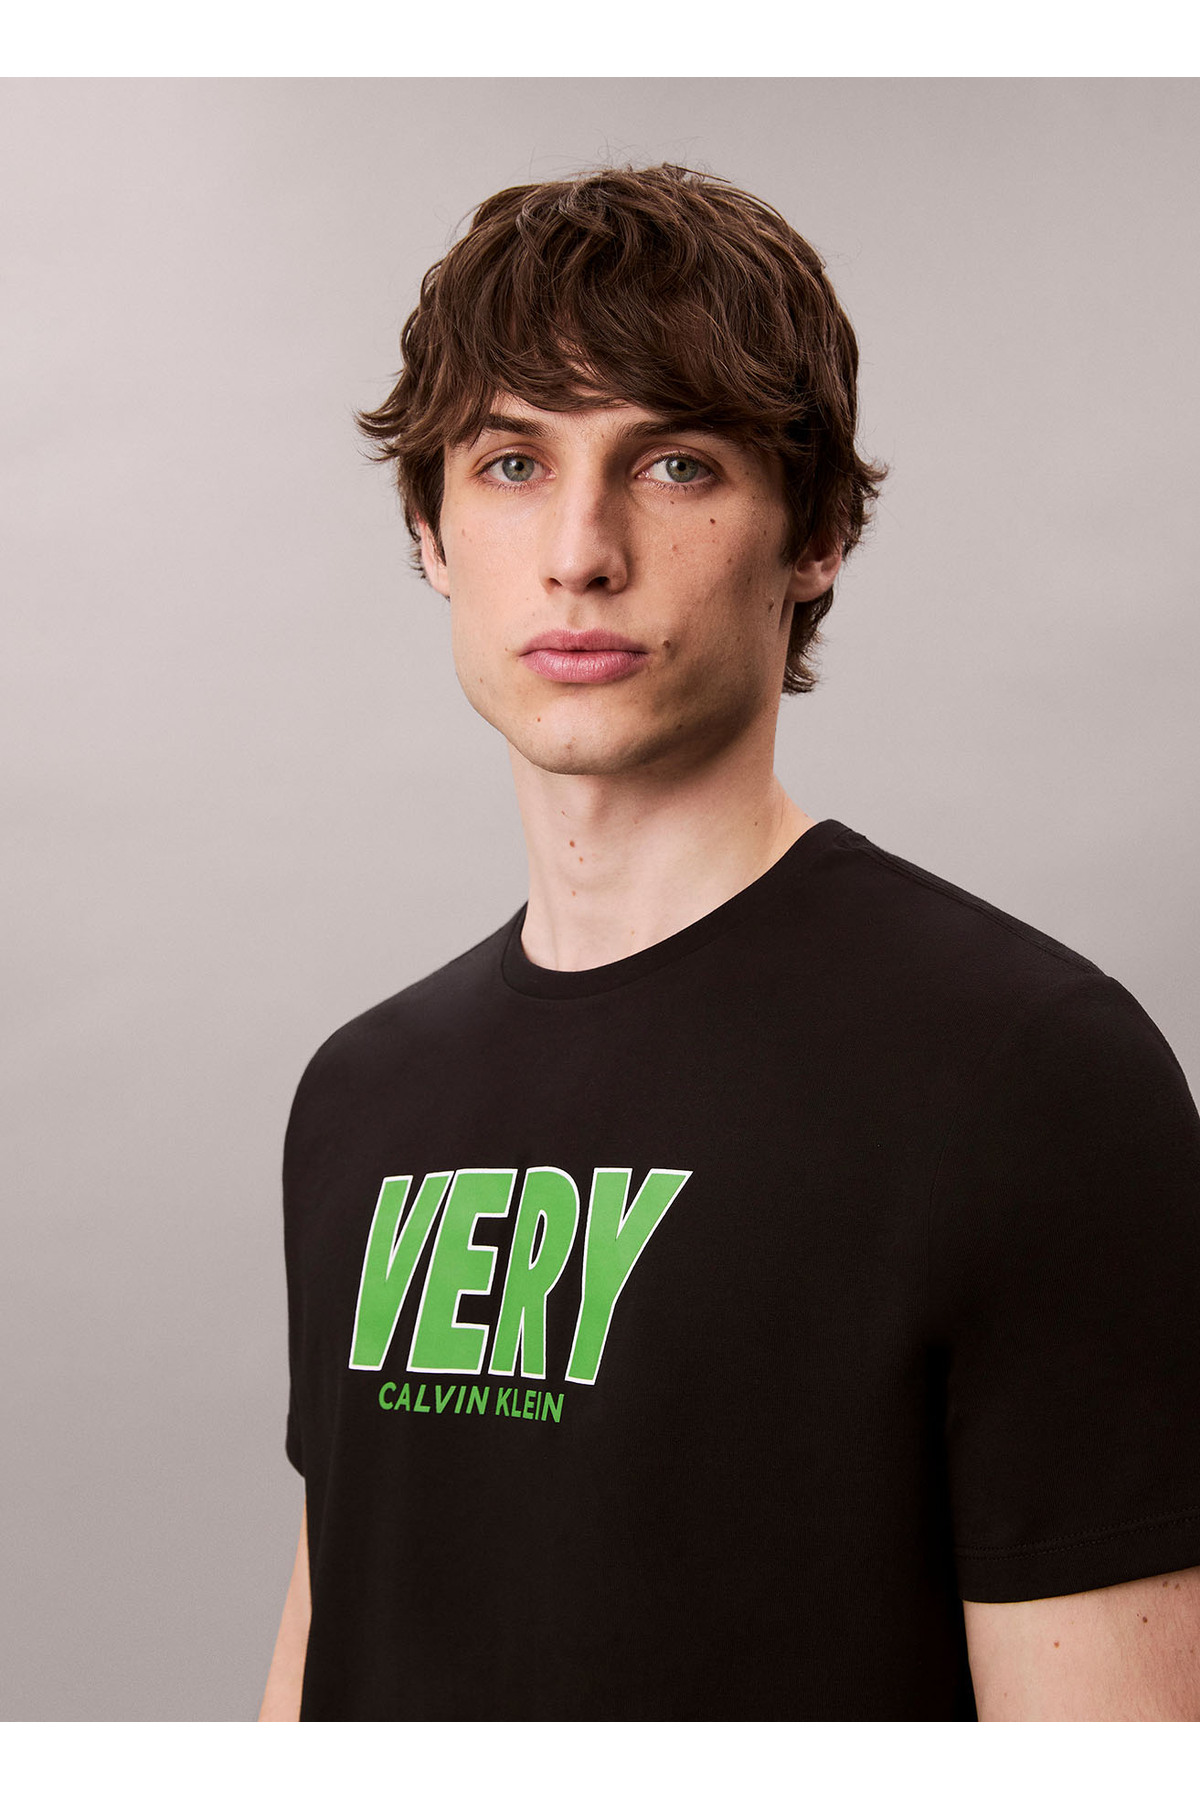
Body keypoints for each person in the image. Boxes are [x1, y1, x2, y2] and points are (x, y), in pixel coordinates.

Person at [259, 163, 1200, 1722]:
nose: (580, 549)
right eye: (511, 463)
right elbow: (333, 1650)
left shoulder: (1026, 1076)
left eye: (675, 464)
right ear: (430, 530)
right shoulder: (360, 1097)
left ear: (814, 534)